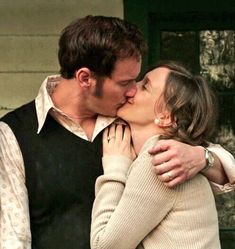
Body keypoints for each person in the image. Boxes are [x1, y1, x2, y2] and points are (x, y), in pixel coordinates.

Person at [0, 16, 234, 249]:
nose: (132, 90)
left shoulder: (129, 118)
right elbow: (13, 237)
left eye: (139, 82)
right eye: (126, 82)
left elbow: (219, 169)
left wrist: (202, 158)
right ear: (85, 78)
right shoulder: (13, 134)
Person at [90, 61, 225, 249]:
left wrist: (115, 167)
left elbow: (103, 246)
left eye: (144, 86)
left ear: (166, 117)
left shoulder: (160, 159)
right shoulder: (177, 153)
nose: (131, 89)